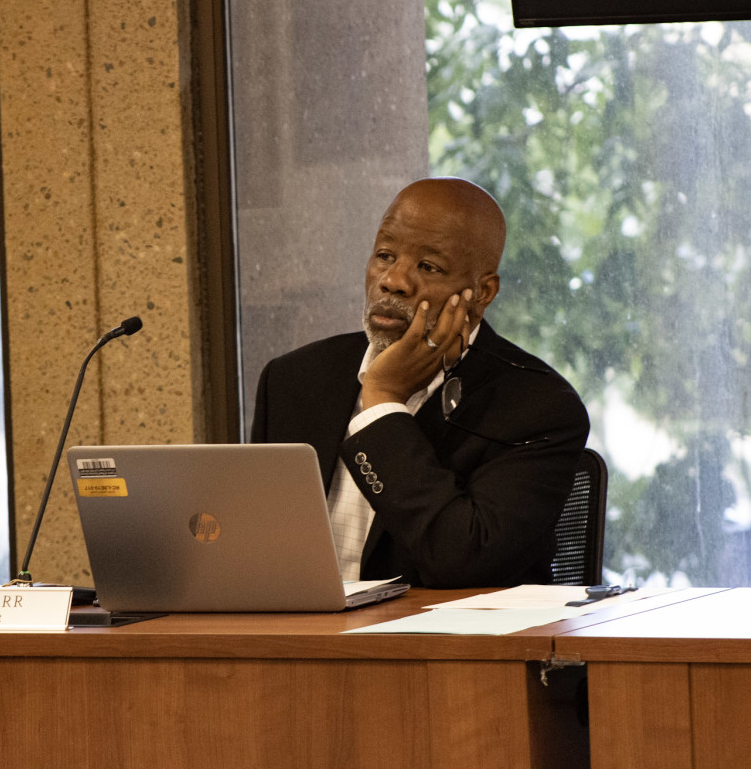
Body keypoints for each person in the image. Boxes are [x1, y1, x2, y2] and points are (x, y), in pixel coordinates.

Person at [250, 177, 590, 588]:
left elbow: (463, 561)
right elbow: (260, 554)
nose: (393, 280)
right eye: (385, 255)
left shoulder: (537, 407)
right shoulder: (294, 380)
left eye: (427, 267)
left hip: (443, 647)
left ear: (482, 293)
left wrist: (382, 403)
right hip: (298, 643)